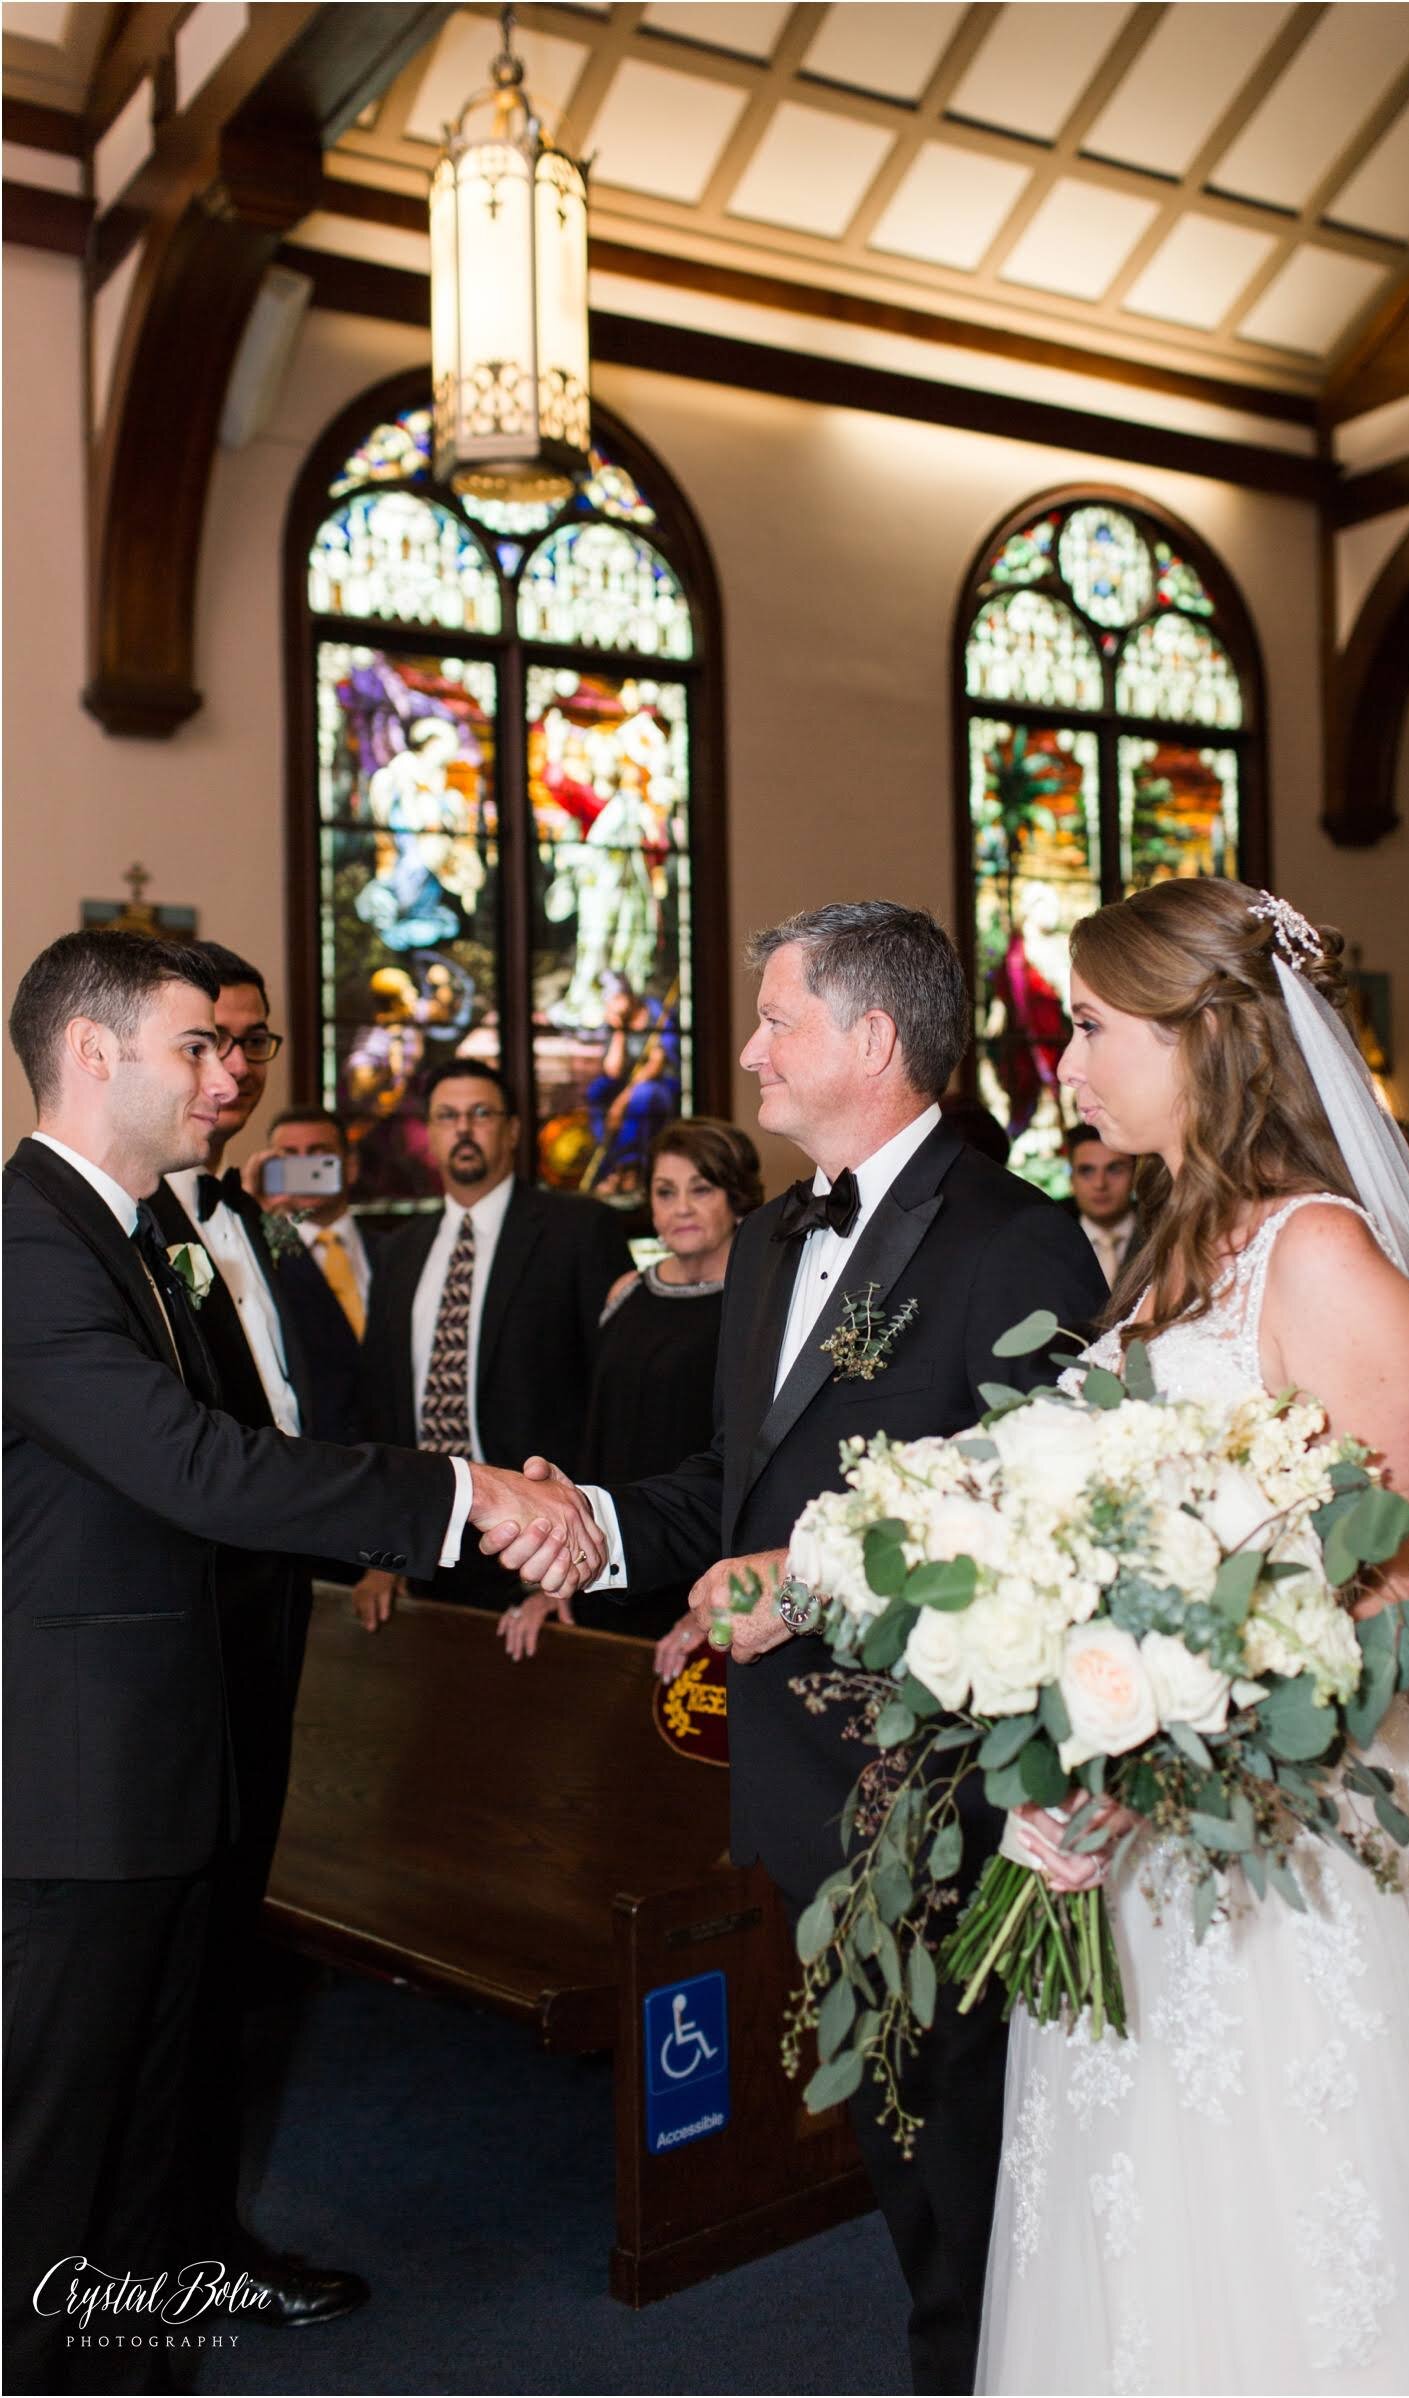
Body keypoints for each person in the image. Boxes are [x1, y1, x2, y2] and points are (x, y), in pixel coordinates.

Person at [976, 880, 1409, 2396]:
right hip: (1144, 1834)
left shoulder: (1319, 1256)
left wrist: (1184, 1732)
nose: (1067, 1061)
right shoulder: (1178, 1245)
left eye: (1098, 1026)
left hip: (1279, 1833)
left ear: (1209, 1035)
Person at [507, 901, 1106, 2395]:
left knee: (963, 2140)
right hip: (793, 1768)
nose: (752, 1049)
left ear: (873, 1040)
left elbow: (1054, 1532)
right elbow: (737, 1486)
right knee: (905, 2132)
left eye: (777, 1019)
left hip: (940, 1776)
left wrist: (826, 1588)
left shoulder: (1015, 1238)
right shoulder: (776, 1237)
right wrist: (594, 1523)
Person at [2, 931, 584, 2394]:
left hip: (163, 1758)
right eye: (195, 1045)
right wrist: (462, 1495)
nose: (226, 1074)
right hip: (75, 1788)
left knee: (141, 2153)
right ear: (94, 1055)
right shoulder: (27, 1243)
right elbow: (208, 1466)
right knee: (48, 2181)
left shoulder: (139, 1233)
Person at [145, 947, 365, 2321]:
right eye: (208, 1044)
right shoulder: (116, 1234)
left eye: (257, 1046)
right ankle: (159, 2244)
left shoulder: (254, 1220)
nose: (233, 1074)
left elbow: (312, 1390)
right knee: (172, 1951)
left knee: (225, 1940)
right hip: (177, 1628)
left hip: (272, 1606)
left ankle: (202, 2221)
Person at [355, 1056, 631, 1626]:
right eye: (447, 1116)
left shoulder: (580, 1230)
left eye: (480, 1114)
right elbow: (382, 1409)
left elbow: (617, 1405)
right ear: (429, 1132)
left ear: (510, 1130)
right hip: (425, 1547)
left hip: (543, 1550)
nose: (463, 1129)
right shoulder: (399, 1250)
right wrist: (382, 1552)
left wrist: (585, 1559)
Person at [500, 1117, 763, 1664]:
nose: (681, 1208)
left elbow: (755, 1466)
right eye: (665, 1192)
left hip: (707, 1580)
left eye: (701, 1188)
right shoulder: (626, 1291)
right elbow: (593, 1433)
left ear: (737, 1198)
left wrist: (720, 1604)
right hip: (610, 1561)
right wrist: (558, 1577)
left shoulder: (763, 1302)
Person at [244, 1105, 373, 1447]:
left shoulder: (396, 1252)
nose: (305, 1168)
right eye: (289, 1157)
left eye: (320, 1156)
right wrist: (256, 1219)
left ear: (351, 1165)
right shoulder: (257, 1259)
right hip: (312, 1457)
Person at [1062, 1118, 1139, 1284]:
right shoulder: (1050, 1243)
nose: (1100, 1184)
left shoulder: (1165, 1238)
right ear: (1071, 1179)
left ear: (1135, 1175)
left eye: (1115, 1169)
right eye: (1086, 1171)